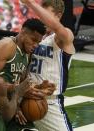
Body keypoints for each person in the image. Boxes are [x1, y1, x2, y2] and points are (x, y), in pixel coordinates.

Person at [21, 0, 75, 131]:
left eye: (45, 14)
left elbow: (57, 27)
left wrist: (30, 3)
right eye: (40, 15)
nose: (42, 19)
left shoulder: (63, 37)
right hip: (24, 97)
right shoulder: (35, 38)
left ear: (58, 15)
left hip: (49, 102)